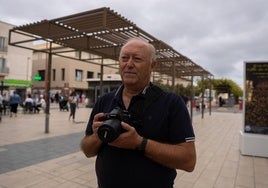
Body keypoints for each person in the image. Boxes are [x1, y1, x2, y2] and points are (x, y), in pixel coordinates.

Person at [80, 38, 196, 188]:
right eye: (124, 58)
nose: (129, 64)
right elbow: (87, 150)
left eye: (137, 59)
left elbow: (189, 161)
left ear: (152, 65)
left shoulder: (171, 103)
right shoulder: (104, 101)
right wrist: (98, 136)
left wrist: (140, 143)